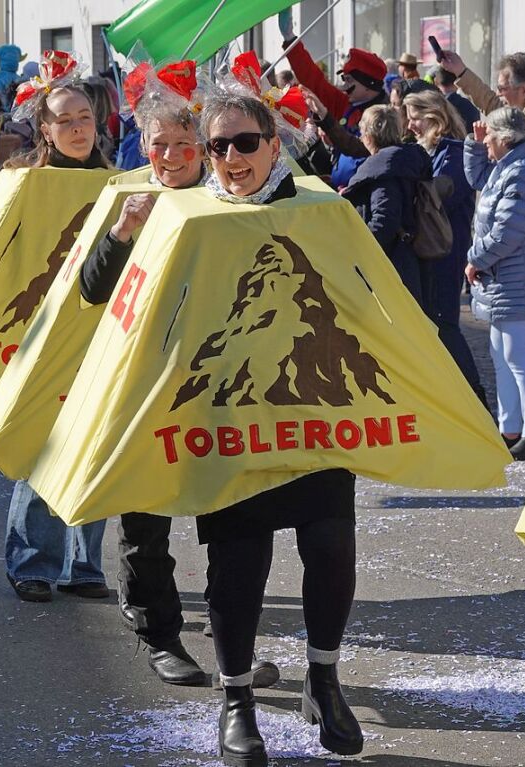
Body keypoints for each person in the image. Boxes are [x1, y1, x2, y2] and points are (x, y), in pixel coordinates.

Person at [197, 90, 363, 764]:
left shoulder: (320, 207)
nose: (231, 157)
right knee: (237, 564)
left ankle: (323, 678)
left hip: (314, 408)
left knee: (329, 545)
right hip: (228, 416)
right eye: (219, 146)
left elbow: (367, 294)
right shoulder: (192, 216)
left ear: (274, 143)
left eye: (244, 142)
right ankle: (236, 700)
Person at [76, 60, 226, 688]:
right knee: (146, 519)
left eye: (181, 144)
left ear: (202, 148)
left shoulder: (230, 197)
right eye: (156, 144)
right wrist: (120, 232)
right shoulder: (126, 197)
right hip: (143, 385)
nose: (167, 156)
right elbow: (88, 289)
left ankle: (231, 638)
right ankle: (159, 635)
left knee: (229, 515)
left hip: (217, 384)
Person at [3, 79, 113, 604]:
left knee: (95, 443)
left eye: (84, 117)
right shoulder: (25, 185)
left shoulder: (121, 185)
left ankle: (85, 564)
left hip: (104, 333)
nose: (77, 128)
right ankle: (32, 562)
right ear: (44, 129)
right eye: (64, 120)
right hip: (41, 334)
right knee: (43, 448)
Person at [440, 49, 525, 430]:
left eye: (504, 88)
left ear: (522, 89)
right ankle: (520, 423)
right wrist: (463, 73)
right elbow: (494, 108)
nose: (497, 95)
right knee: (512, 350)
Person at [464, 107, 525, 461]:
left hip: (519, 279)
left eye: (488, 138)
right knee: (502, 356)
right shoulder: (508, 166)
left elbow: (507, 231)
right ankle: (510, 427)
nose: (485, 142)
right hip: (505, 279)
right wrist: (472, 144)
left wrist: (475, 258)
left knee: (518, 355)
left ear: (504, 139)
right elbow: (477, 179)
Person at [403, 89, 487, 404]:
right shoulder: (434, 149)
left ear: (435, 116)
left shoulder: (453, 153)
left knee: (446, 325)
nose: (410, 126)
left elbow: (436, 201)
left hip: (446, 254)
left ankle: (476, 398)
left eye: (415, 119)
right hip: (436, 252)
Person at [341, 104, 431, 301]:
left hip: (387, 266)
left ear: (369, 135)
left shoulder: (384, 171)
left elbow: (385, 220)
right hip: (400, 261)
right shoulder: (399, 162)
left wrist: (358, 251)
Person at [282, 36, 388, 187]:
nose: (344, 86)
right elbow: (313, 78)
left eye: (349, 80)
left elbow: (357, 147)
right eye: (343, 79)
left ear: (367, 84)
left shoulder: (384, 117)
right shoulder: (348, 104)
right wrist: (290, 40)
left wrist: (325, 118)